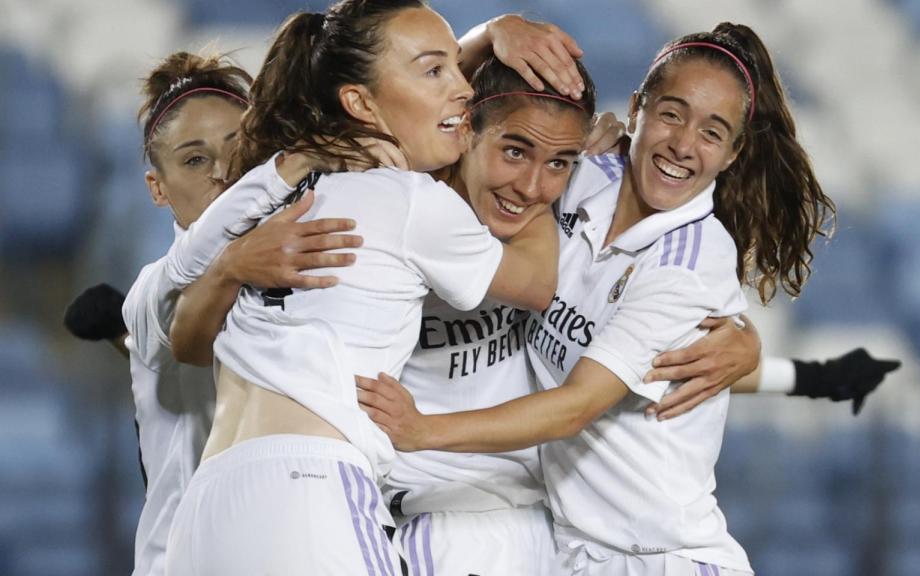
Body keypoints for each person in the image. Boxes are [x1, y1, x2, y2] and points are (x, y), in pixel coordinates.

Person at [359, 22, 838, 575]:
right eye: (671, 113)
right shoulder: (580, 172)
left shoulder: (690, 263)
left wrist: (422, 431)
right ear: (635, 109)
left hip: (662, 558)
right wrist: (488, 37)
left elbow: (577, 406)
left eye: (712, 132)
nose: (682, 144)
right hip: (573, 549)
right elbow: (444, 122)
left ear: (733, 154)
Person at [159, 2, 580, 574]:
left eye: (458, 67)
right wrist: (543, 180)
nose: (463, 90)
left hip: (208, 505)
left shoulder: (280, 181)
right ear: (357, 103)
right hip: (308, 487)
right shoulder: (410, 201)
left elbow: (185, 269)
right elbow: (535, 283)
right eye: (436, 71)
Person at [119, 51, 363, 576]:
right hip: (186, 559)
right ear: (156, 188)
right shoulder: (148, 292)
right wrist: (233, 264)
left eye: (237, 147)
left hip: (298, 539)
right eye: (193, 159)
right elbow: (192, 303)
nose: (224, 172)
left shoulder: (305, 256)